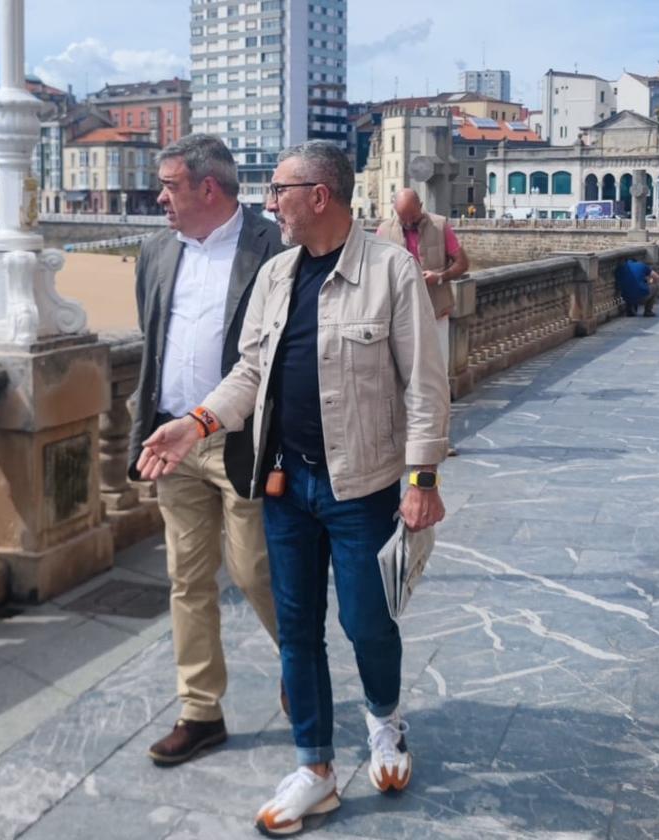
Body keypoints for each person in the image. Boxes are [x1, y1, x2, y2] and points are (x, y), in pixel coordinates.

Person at [138, 141, 450, 835]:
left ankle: (384, 723)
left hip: (363, 486)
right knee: (298, 633)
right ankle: (315, 767)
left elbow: (426, 386)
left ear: (320, 195)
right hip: (285, 482)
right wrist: (194, 424)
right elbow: (250, 375)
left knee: (369, 622)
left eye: (279, 189)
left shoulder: (391, 272)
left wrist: (421, 477)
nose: (269, 202)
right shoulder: (277, 275)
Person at [128, 133, 285, 767]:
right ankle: (200, 711)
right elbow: (152, 335)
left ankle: (302, 668)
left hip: (241, 440)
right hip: (172, 440)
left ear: (207, 188)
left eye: (169, 185)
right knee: (186, 580)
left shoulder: (273, 247)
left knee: (254, 571)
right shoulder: (156, 250)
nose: (159, 196)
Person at [376, 189, 469, 371]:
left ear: (420, 206)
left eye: (413, 215)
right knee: (404, 372)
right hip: (400, 314)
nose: (409, 221)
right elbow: (376, 274)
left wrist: (440, 277)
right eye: (404, 217)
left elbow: (463, 263)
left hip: (436, 312)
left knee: (438, 370)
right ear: (394, 210)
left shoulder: (440, 226)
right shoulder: (383, 231)